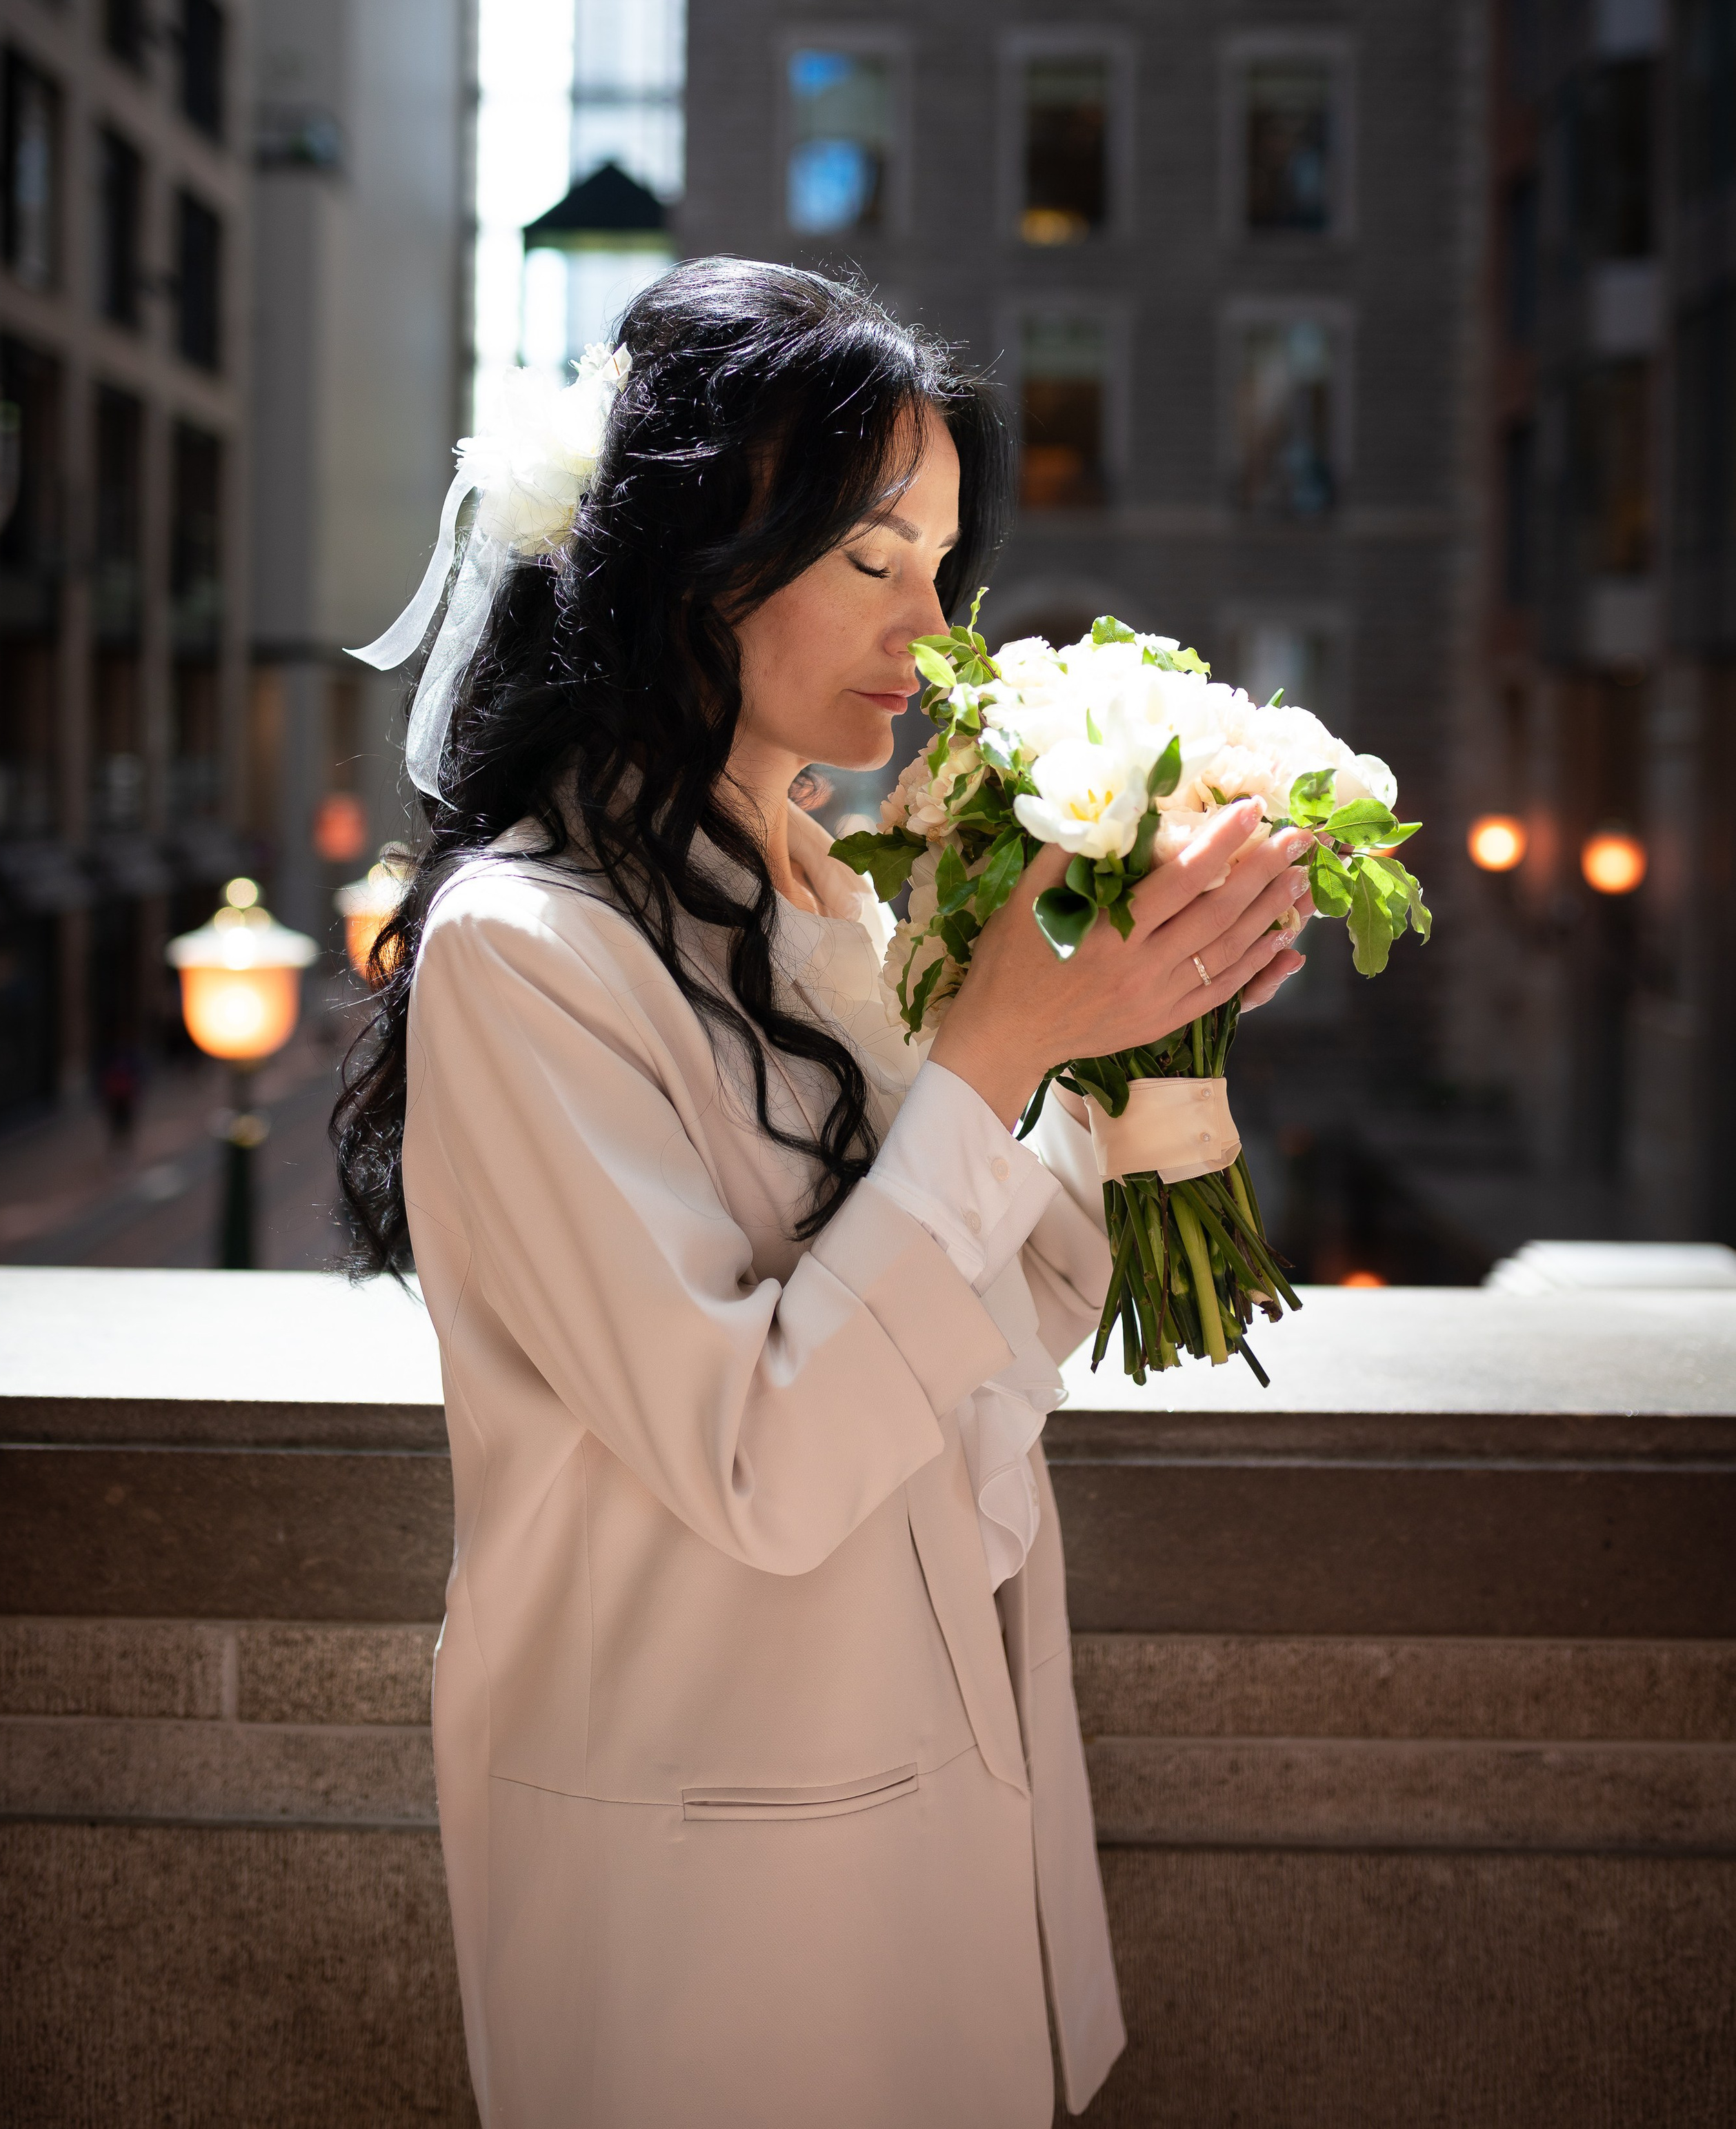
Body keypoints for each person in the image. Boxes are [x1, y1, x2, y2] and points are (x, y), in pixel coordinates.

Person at [334, 261, 1311, 2129]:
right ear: (685, 554)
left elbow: (997, 1329)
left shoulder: (827, 893)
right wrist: (1005, 1051)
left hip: (932, 1790)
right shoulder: (528, 950)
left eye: (944, 568)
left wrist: (1138, 1037)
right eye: (872, 561)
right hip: (705, 1870)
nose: (930, 629)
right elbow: (762, 1458)